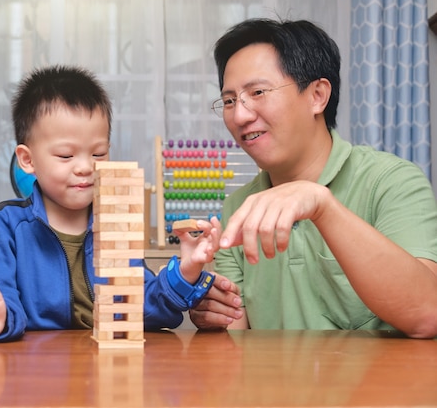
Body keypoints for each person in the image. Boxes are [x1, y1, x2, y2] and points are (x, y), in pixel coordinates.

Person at [182, 18, 437, 338]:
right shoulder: (238, 207)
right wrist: (213, 313)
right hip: (272, 386)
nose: (240, 115)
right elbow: (235, 336)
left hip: (378, 387)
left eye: (258, 92)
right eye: (230, 100)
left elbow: (428, 316)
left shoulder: (391, 182)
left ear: (317, 95)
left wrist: (321, 205)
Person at [0, 65, 219, 342]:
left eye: (98, 152)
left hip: (102, 372)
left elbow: (145, 311)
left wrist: (186, 271)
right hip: (33, 371)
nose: (85, 166)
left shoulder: (115, 222)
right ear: (27, 160)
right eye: (66, 155)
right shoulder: (6, 224)